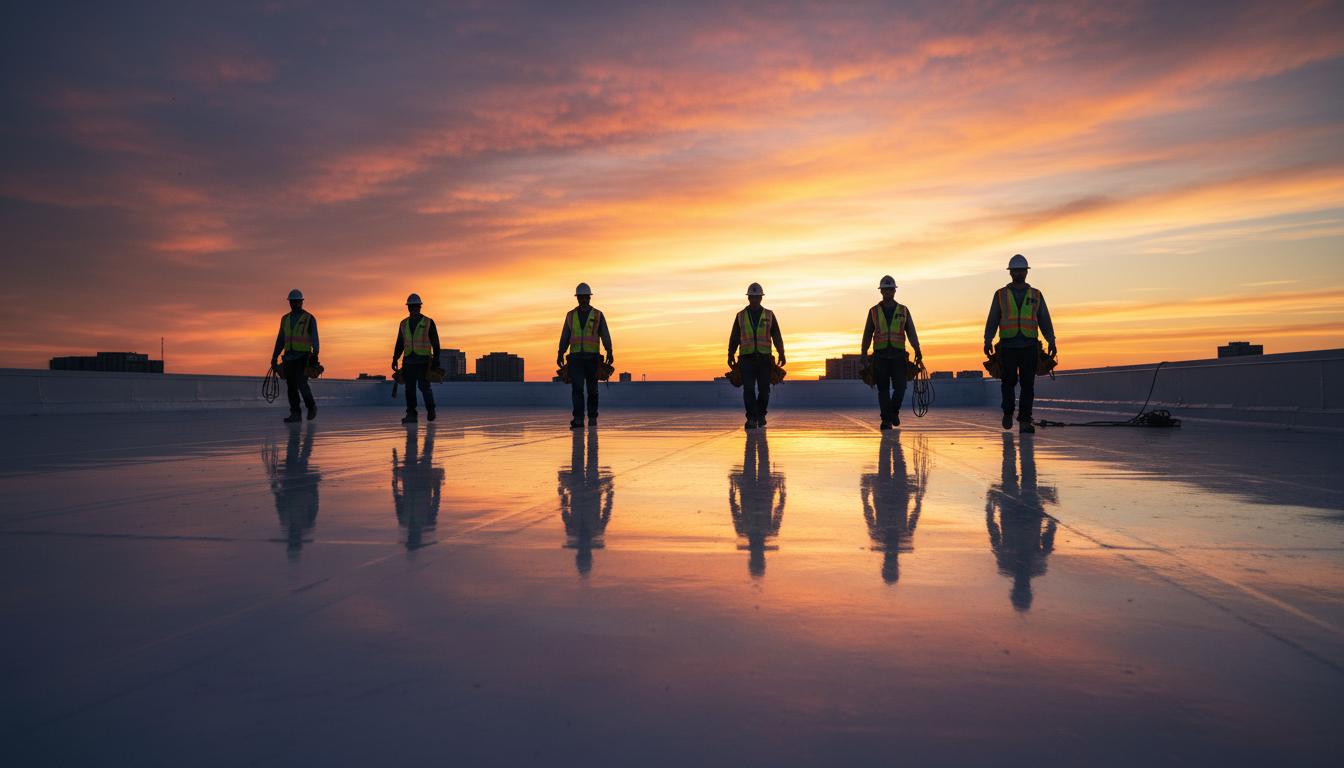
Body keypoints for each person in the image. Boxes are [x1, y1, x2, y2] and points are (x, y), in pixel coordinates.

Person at [984, 254, 1056, 433]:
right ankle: (1008, 412)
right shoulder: (1000, 294)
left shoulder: (1035, 295)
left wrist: (1051, 340)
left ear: (1026, 272)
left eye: (1021, 270)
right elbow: (993, 318)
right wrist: (988, 339)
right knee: (1008, 382)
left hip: (1029, 346)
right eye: (1016, 271)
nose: (1019, 273)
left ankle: (1024, 420)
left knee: (1027, 385)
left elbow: (1044, 319)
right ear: (1010, 273)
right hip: (1008, 346)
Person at [985, 433, 1058, 611]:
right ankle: (1020, 447)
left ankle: (1013, 447)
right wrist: (1051, 523)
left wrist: (989, 513)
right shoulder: (1035, 567)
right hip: (1028, 513)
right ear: (1029, 592)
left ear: (1014, 590)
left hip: (1013, 512)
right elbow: (1047, 543)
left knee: (1016, 475)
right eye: (1024, 591)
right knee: (1025, 475)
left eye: (1019, 590)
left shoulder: (1007, 565)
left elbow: (995, 538)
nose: (1022, 586)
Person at [860, 275, 923, 428]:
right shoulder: (874, 311)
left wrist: (917, 349)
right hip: (880, 356)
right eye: (885, 290)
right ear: (881, 292)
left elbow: (911, 332)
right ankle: (886, 420)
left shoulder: (903, 310)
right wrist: (863, 352)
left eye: (890, 290)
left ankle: (893, 412)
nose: (887, 292)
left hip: (898, 355)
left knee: (900, 387)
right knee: (883, 389)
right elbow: (868, 333)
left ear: (894, 291)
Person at [727, 282, 786, 429]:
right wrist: (730, 354)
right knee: (748, 390)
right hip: (746, 359)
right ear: (748, 298)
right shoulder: (740, 316)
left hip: (764, 359)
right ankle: (751, 418)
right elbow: (734, 336)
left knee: (764, 390)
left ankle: (761, 415)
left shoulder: (769, 315)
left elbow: (776, 335)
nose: (754, 299)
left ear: (761, 298)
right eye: (752, 297)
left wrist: (781, 353)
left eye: (757, 297)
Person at [728, 429, 785, 577]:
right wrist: (782, 494)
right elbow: (778, 512)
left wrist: (732, 494)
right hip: (762, 490)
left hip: (751, 490)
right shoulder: (766, 531)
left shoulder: (745, 531)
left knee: (753, 457)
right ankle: (758, 428)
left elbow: (735, 511)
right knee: (758, 457)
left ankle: (755, 428)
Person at [556, 282, 613, 429]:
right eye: (580, 297)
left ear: (589, 298)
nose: (583, 300)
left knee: (593, 390)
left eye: (585, 297)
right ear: (577, 298)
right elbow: (565, 335)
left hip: (592, 358)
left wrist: (609, 350)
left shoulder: (598, 315)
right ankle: (579, 419)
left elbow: (605, 334)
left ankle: (592, 418)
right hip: (575, 359)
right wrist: (560, 352)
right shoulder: (571, 315)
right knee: (577, 389)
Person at [557, 427, 614, 575]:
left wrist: (562, 492)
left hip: (579, 491)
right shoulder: (595, 532)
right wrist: (609, 495)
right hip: (590, 491)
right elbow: (606, 513)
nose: (583, 552)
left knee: (582, 457)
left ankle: (584, 430)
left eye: (581, 556)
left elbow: (565, 511)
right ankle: (588, 430)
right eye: (585, 556)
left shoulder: (575, 532)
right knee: (590, 457)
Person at [392, 293, 441, 424]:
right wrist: (395, 358)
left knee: (424, 387)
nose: (413, 308)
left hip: (424, 362)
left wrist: (436, 360)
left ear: (420, 307)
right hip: (409, 362)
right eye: (411, 306)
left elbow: (436, 343)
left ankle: (431, 409)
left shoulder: (428, 322)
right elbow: (400, 343)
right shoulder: (403, 324)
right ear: (408, 308)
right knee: (410, 389)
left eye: (415, 306)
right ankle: (411, 414)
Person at [270, 288, 319, 423]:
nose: (294, 304)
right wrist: (274, 356)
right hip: (289, 357)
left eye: (296, 302)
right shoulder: (285, 319)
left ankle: (311, 406)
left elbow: (315, 337)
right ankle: (295, 414)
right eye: (292, 302)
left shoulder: (309, 318)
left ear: (301, 302)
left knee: (302, 384)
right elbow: (280, 339)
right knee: (291, 386)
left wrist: (315, 354)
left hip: (303, 357)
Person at [392, 425, 443, 551]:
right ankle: (425, 432)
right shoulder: (427, 522)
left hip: (412, 480)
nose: (411, 534)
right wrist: (436, 487)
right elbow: (435, 503)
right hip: (421, 481)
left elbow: (398, 501)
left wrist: (395, 485)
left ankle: (417, 431)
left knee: (418, 451)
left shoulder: (405, 521)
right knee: (424, 453)